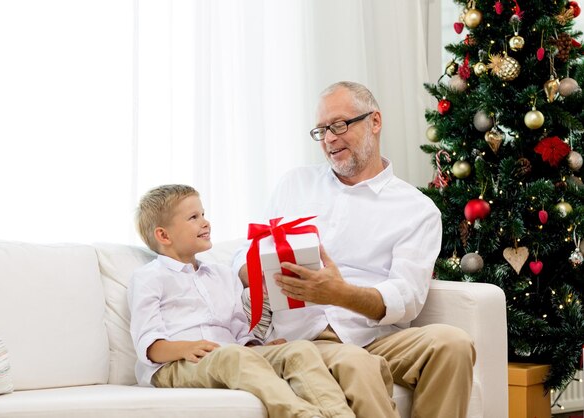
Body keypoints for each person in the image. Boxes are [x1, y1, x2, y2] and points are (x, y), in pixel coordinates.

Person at [234, 81, 476, 418]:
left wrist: (339, 294)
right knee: (357, 364)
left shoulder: (415, 208)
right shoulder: (295, 185)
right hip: (304, 340)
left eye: (339, 125)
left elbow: (406, 298)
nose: (330, 139)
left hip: (375, 337)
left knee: (453, 344)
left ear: (374, 122)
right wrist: (260, 269)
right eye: (321, 131)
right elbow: (240, 263)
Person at [128, 184, 358, 418]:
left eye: (204, 214)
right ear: (164, 235)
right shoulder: (149, 277)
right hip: (175, 365)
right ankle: (304, 415)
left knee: (300, 350)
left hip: (231, 355)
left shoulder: (222, 274)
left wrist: (257, 348)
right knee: (232, 356)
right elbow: (149, 344)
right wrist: (187, 348)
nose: (205, 222)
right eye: (193, 217)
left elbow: (239, 328)